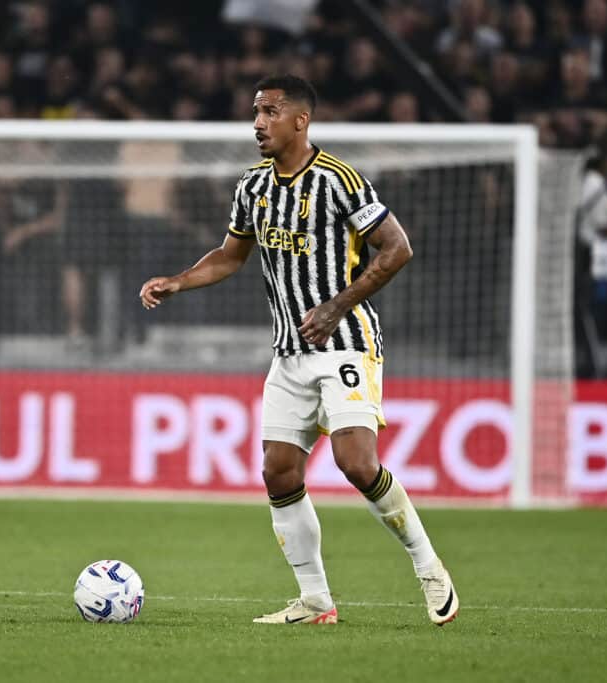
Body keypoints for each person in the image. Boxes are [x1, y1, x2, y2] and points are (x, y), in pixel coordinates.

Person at [139, 75, 458, 627]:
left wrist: (335, 306)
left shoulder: (339, 181)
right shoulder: (253, 185)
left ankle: (429, 568)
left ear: (300, 120)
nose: (258, 123)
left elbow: (397, 248)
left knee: (356, 463)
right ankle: (315, 600)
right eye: (255, 112)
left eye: (269, 111)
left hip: (346, 344)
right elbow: (230, 255)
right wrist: (178, 281)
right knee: (278, 472)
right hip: (289, 352)